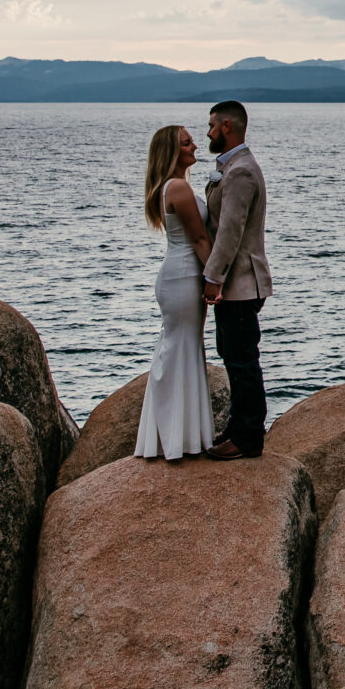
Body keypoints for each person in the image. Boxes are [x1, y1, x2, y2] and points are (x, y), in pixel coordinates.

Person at [134, 122, 216, 461]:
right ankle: (171, 435)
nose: (195, 145)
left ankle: (182, 435)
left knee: (183, 348)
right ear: (171, 151)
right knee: (178, 348)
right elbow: (199, 239)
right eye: (186, 142)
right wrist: (217, 278)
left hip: (182, 275)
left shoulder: (176, 187)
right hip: (182, 277)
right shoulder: (177, 189)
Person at [201, 99, 273, 460]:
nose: (209, 132)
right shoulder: (231, 167)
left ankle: (248, 437)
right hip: (236, 284)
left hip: (241, 284)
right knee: (232, 354)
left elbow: (230, 231)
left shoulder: (241, 171)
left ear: (227, 126)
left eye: (212, 125)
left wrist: (212, 278)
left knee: (242, 359)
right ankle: (239, 426)